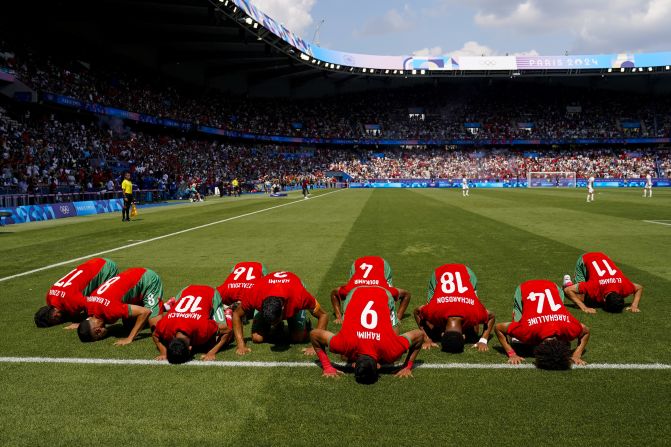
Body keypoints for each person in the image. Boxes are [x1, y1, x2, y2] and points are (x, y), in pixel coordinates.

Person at [310, 286, 424, 383]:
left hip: (370, 293)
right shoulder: (343, 344)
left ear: (354, 365)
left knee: (346, 356)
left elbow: (419, 335)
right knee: (391, 357)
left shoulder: (392, 349)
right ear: (378, 366)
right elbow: (314, 335)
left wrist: (327, 366)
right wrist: (407, 366)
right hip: (362, 293)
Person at [494, 279, 590, 369]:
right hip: (526, 288)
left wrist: (576, 354)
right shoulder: (526, 331)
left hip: (553, 287)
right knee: (516, 339)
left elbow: (586, 331)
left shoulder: (569, 328)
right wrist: (512, 354)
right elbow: (498, 328)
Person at [231, 271, 328, 355]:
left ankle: (304, 325)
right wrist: (241, 345)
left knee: (298, 337)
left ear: (282, 309)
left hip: (292, 288)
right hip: (266, 289)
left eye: (275, 321)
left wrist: (316, 346)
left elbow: (323, 315)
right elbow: (236, 314)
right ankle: (280, 327)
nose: (272, 324)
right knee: (257, 338)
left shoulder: (299, 296)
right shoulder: (255, 295)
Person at [413, 264, 495, 353]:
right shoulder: (435, 310)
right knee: (473, 333)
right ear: (463, 336)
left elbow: (417, 311)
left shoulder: (474, 313)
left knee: (474, 331)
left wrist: (427, 338)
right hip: (443, 274)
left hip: (464, 274)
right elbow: (491, 316)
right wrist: (483, 340)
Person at [76, 267, 164, 345]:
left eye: (98, 337)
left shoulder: (110, 310)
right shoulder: (89, 306)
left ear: (98, 331)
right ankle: (164, 306)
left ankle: (169, 307)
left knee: (157, 329)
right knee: (129, 326)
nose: (101, 337)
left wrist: (130, 338)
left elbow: (145, 312)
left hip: (147, 279)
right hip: (131, 275)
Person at [153, 285, 232, 363]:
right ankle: (173, 302)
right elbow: (155, 335)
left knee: (227, 338)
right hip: (186, 289)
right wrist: (163, 352)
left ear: (190, 348)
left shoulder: (202, 327)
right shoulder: (164, 326)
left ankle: (228, 314)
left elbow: (227, 331)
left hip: (210, 292)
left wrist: (212, 352)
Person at [34, 258, 119, 328]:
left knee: (105, 301)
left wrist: (81, 323)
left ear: (55, 315)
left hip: (106, 267)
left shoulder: (72, 300)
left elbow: (96, 302)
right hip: (94, 262)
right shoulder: (49, 296)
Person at [331, 256, 411, 325]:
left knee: (389, 301)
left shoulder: (386, 291)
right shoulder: (349, 290)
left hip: (382, 265)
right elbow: (334, 293)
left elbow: (406, 295)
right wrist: (339, 317)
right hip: (359, 264)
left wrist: (398, 317)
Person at [563, 252, 643, 313]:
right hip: (586, 259)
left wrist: (634, 305)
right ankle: (567, 282)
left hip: (603, 256)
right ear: (604, 300)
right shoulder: (594, 285)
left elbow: (639, 287)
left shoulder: (624, 285)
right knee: (581, 298)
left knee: (592, 299)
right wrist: (584, 307)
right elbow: (568, 290)